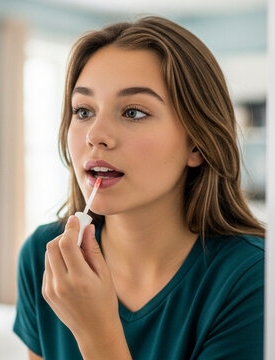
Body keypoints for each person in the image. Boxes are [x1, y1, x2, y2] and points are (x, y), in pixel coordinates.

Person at [13, 16, 265, 359]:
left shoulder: (254, 281)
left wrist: (96, 332)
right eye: (83, 110)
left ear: (197, 145)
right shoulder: (43, 255)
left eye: (132, 112)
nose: (95, 135)